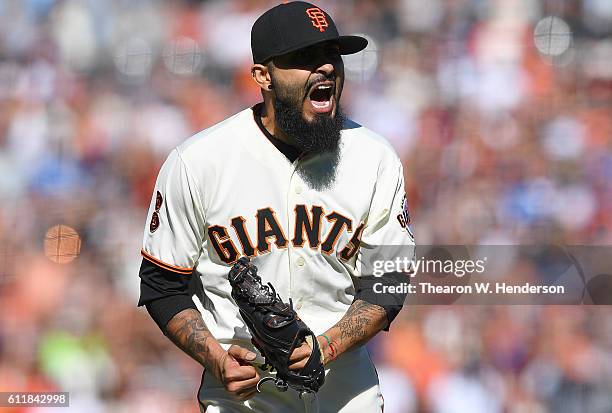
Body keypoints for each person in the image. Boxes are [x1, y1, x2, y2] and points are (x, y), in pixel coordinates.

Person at [137, 2, 415, 412]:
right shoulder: (199, 162)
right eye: (304, 58)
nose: (324, 68)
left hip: (345, 393)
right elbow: (162, 286)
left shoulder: (374, 157)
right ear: (263, 76)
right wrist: (216, 358)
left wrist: (327, 346)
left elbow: (389, 280)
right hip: (243, 397)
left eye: (332, 56)